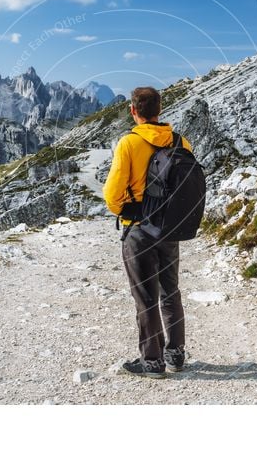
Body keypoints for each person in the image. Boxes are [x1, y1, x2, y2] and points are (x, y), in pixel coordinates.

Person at [102, 86, 193, 379]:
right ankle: (176, 354)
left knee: (145, 296)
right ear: (159, 109)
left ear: (133, 110)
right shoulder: (181, 142)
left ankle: (152, 361)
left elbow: (112, 193)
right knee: (171, 291)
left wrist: (126, 211)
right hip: (170, 228)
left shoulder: (129, 143)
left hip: (139, 230)